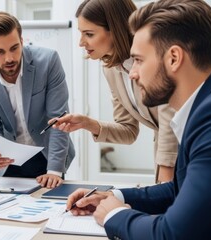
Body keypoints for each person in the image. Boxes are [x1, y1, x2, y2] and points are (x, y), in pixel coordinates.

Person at [66, 0, 211, 239]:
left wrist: (114, 215)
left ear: (174, 58)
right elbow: (178, 190)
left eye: (138, 60)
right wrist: (115, 197)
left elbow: (173, 234)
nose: (133, 73)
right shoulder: (203, 109)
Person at [50, 0, 178, 183]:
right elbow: (128, 131)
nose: (81, 43)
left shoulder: (156, 56)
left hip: (188, 151)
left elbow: (169, 120)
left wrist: (165, 178)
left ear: (115, 29)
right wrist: (87, 123)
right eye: (81, 34)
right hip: (167, 159)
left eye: (89, 34)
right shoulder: (111, 70)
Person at [0, 11, 75, 189]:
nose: (9, 58)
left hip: (47, 157)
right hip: (8, 164)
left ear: (22, 41)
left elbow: (58, 119)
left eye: (14, 48)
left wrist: (55, 171)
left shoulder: (48, 62)